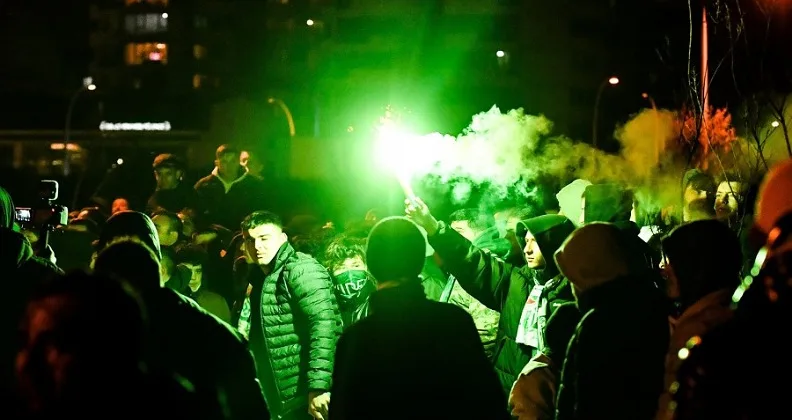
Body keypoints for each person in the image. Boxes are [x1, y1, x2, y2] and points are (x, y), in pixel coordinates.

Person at [330, 217, 508, 419]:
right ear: (419, 261)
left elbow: (343, 411)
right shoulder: (454, 322)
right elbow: (488, 402)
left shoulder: (355, 339)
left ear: (370, 265)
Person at [238, 211, 342, 420]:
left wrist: (319, 387)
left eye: (264, 238)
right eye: (250, 240)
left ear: (283, 238)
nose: (257, 246)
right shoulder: (260, 278)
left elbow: (324, 326)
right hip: (281, 400)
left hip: (303, 397)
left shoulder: (301, 268)